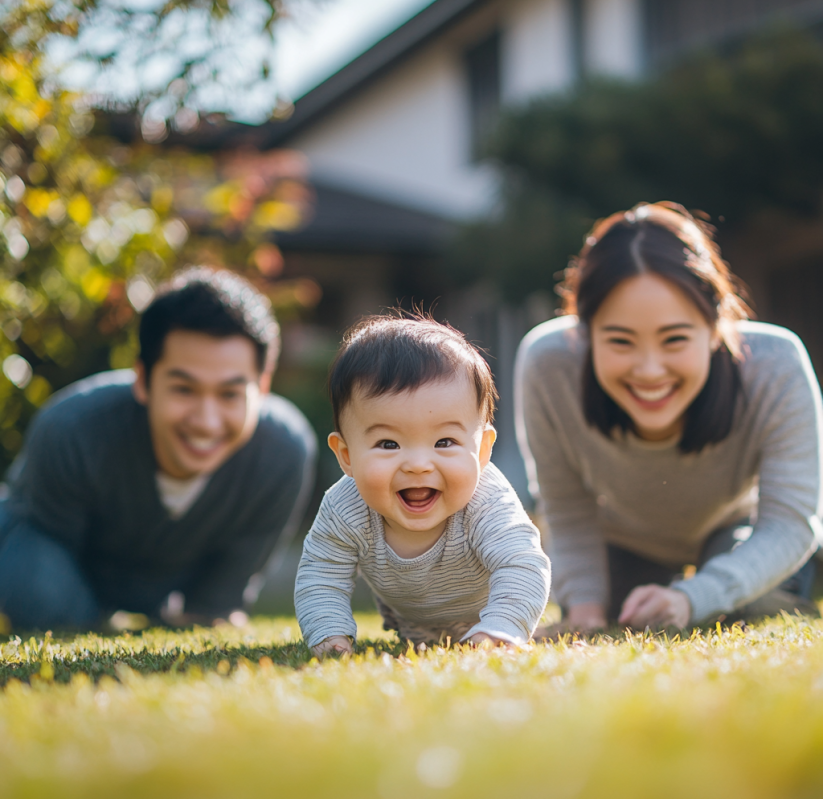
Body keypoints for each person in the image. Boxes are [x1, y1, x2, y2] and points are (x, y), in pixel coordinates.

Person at [515, 202, 823, 634]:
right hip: (623, 540)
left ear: (715, 326)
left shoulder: (776, 363)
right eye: (620, 341)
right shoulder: (549, 362)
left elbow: (790, 523)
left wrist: (694, 597)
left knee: (749, 605)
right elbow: (565, 506)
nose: (649, 371)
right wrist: (584, 612)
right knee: (624, 609)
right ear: (585, 332)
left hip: (738, 532)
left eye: (674, 339)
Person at [0, 267, 316, 630]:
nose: (206, 422)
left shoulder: (284, 453)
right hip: (46, 556)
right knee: (47, 599)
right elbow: (46, 558)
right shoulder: (71, 430)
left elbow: (219, 602)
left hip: (157, 589)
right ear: (143, 380)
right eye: (184, 389)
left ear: (262, 387)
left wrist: (209, 609)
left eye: (230, 394)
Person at [295, 314, 551, 654]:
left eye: (444, 442)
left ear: (482, 451)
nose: (418, 465)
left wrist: (500, 629)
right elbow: (321, 575)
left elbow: (521, 564)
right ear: (346, 455)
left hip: (491, 611)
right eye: (388, 444)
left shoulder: (488, 502)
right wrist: (329, 634)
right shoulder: (345, 507)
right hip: (412, 625)